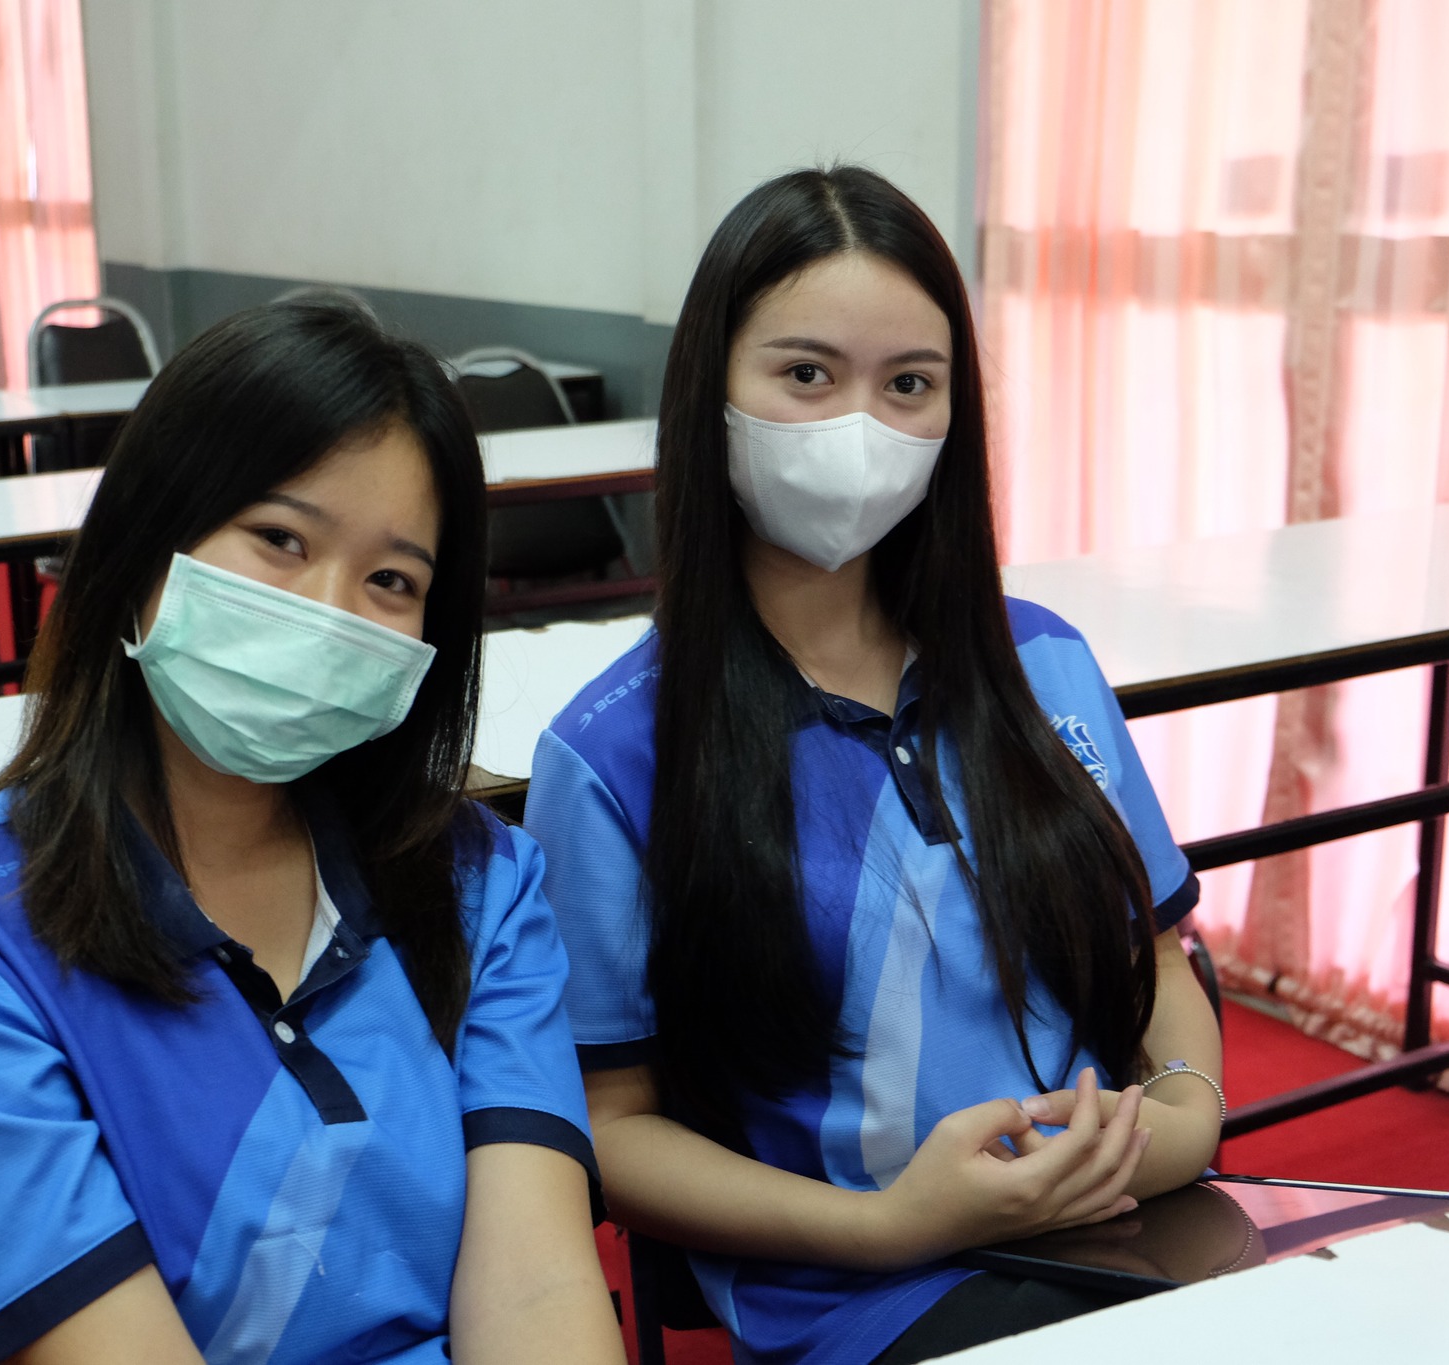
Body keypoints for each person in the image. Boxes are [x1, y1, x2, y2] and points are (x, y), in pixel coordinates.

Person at [0, 301, 626, 1365]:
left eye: (391, 581)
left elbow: (536, 1300)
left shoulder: (480, 885)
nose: (329, 612)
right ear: (146, 546)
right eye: (279, 540)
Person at [522, 166, 1224, 1364]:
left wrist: (1179, 1115)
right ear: (710, 391)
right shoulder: (611, 749)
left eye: (909, 385)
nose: (860, 426)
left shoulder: (1040, 660)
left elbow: (1149, 952)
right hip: (856, 1293)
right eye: (804, 374)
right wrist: (889, 1224)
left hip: (1122, 1225)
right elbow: (613, 1126)